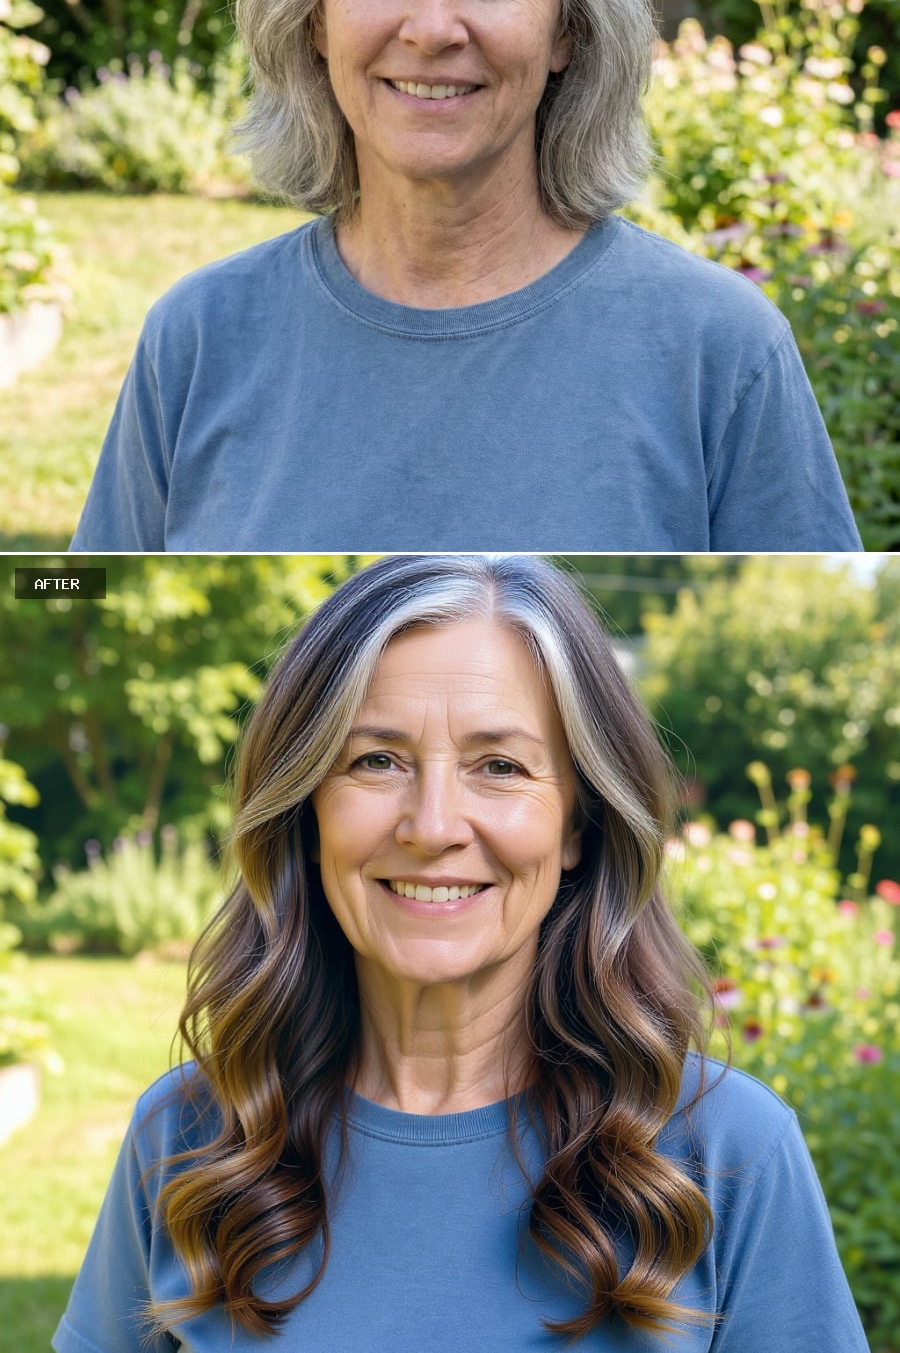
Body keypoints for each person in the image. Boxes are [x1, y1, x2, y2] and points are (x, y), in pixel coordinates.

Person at [53, 555, 869, 1351]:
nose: (434, 825)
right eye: (376, 761)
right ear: (305, 813)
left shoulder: (727, 1152)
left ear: (579, 825)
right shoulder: (188, 1137)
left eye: (500, 767)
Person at [69, 0, 861, 553]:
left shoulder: (720, 354)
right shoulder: (199, 339)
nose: (433, 25)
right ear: (313, 15)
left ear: (568, 28)